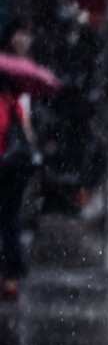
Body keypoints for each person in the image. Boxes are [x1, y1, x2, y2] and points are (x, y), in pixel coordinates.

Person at [0, 19, 40, 302]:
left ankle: (10, 273)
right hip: (16, 166)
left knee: (9, 219)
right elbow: (24, 132)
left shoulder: (9, 101)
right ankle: (12, 274)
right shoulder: (14, 100)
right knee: (10, 219)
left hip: (7, 165)